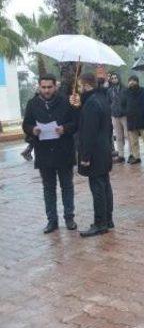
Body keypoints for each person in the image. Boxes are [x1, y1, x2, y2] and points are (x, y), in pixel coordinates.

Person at [22, 74, 78, 234]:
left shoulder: (66, 102)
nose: (46, 90)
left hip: (63, 151)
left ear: (55, 87)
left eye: (49, 87)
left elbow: (75, 123)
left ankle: (69, 218)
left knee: (67, 186)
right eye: (43, 87)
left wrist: (64, 129)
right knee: (48, 188)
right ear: (39, 87)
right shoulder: (32, 104)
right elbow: (26, 123)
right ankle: (52, 221)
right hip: (44, 152)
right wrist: (32, 129)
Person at [71, 73, 114, 237]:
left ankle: (100, 223)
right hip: (104, 150)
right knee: (105, 186)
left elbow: (88, 133)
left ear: (86, 85)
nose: (79, 89)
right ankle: (108, 219)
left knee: (97, 188)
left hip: (94, 152)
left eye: (80, 86)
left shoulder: (91, 104)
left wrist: (85, 157)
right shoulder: (101, 99)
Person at [121, 75, 144, 164]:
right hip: (131, 120)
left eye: (134, 81)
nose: (132, 83)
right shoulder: (125, 92)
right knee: (133, 141)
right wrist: (127, 112)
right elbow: (122, 103)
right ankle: (136, 157)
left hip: (143, 119)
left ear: (137, 82)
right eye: (130, 81)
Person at [107, 73, 127, 163]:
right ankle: (121, 155)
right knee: (118, 137)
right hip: (114, 115)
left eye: (115, 77)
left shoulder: (124, 89)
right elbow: (108, 102)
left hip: (124, 115)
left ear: (118, 78)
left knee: (127, 135)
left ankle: (132, 154)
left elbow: (127, 101)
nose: (114, 79)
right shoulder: (110, 90)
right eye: (112, 78)